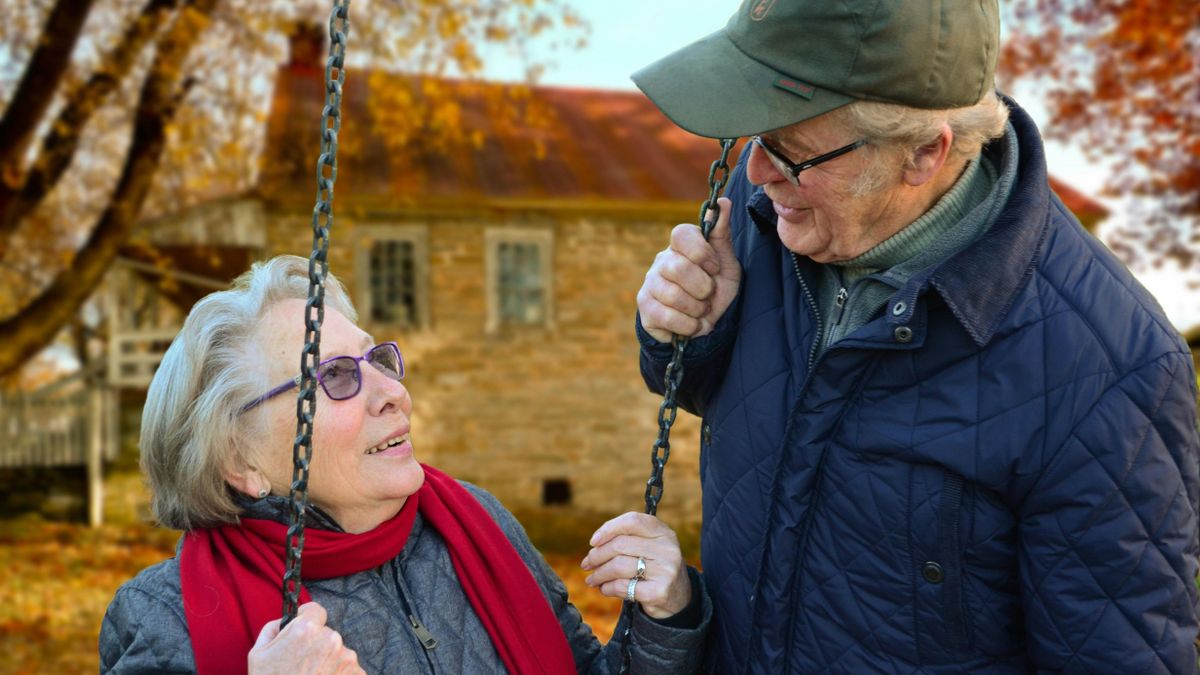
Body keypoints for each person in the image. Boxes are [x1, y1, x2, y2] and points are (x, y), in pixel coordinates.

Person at [632, 0, 1200, 672]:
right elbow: (727, 401)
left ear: (925, 153)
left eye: (792, 151)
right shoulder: (774, 212)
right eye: (756, 136)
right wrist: (685, 333)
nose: (757, 172)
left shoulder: (1110, 367)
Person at [100, 255, 710, 674]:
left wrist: (664, 618)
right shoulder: (165, 615)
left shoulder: (475, 524)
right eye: (335, 377)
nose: (391, 391)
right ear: (240, 460)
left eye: (378, 360)